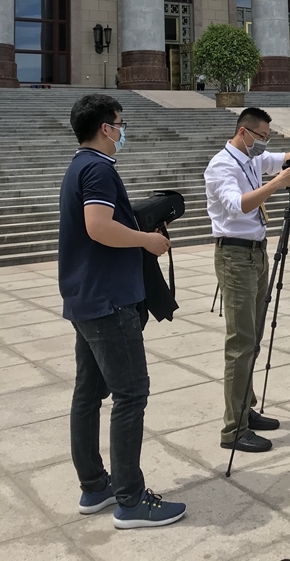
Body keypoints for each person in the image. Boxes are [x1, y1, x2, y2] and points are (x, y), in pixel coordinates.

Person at [59, 94, 186, 529]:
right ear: (105, 128)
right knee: (131, 394)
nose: (122, 130)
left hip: (86, 298)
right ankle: (131, 500)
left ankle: (96, 486)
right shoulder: (97, 168)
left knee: (88, 393)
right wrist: (146, 240)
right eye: (119, 123)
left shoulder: (79, 166)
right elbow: (98, 226)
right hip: (109, 301)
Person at [205, 106, 290, 453]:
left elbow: (278, 158)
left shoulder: (251, 159)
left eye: (267, 137)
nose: (264, 143)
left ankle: (245, 408)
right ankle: (233, 430)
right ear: (244, 132)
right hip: (234, 256)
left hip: (256, 253)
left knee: (253, 338)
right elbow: (238, 205)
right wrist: (278, 183)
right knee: (240, 343)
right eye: (261, 137)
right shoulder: (222, 165)